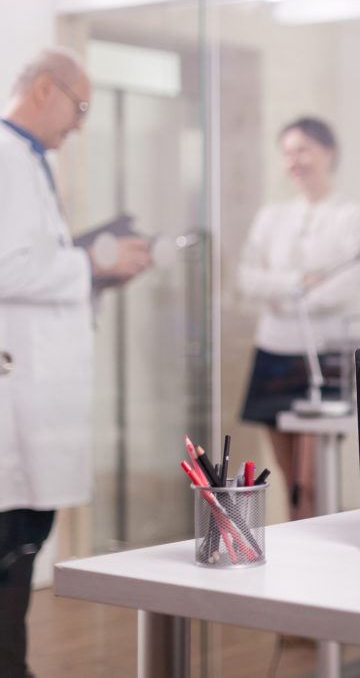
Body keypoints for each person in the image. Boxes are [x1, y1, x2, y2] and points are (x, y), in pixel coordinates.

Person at [0, 48, 151, 678]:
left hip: (34, 388)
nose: (80, 123)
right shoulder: (5, 158)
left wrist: (95, 270)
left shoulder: (28, 162)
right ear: (44, 89)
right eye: (79, 106)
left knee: (23, 546)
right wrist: (94, 261)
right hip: (14, 392)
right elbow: (8, 267)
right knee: (12, 551)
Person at [238, 116, 360, 520]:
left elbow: (341, 291)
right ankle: (293, 563)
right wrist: (298, 283)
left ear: (329, 152)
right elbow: (246, 279)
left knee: (311, 481)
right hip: (273, 351)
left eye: (303, 150)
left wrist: (278, 291)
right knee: (288, 478)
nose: (295, 161)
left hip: (321, 356)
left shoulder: (350, 215)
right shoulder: (271, 216)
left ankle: (314, 571)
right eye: (288, 152)